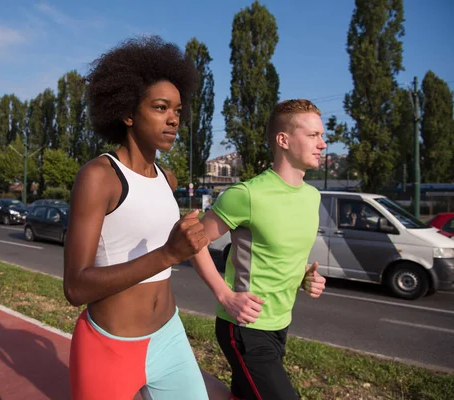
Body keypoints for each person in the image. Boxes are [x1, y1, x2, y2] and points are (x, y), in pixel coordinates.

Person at [64, 36, 210, 400]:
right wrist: (168, 254)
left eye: (177, 109)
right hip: (109, 347)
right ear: (128, 112)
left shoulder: (169, 178)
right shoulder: (99, 177)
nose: (174, 118)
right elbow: (75, 288)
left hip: (169, 338)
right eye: (161, 107)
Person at [190, 99, 328, 400]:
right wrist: (224, 295)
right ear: (284, 140)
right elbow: (193, 242)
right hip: (244, 327)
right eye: (313, 135)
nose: (323, 144)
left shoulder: (312, 197)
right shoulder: (247, 195)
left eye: (322, 135)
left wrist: (306, 277)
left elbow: (283, 256)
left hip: (281, 324)